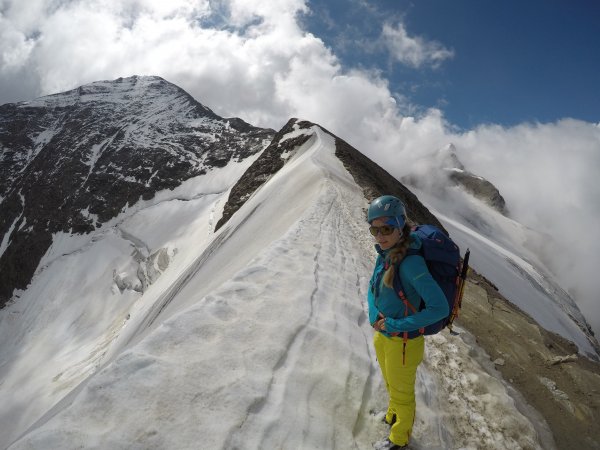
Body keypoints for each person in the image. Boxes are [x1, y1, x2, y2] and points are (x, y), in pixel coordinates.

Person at [367, 195, 449, 450]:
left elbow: (439, 308)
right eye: (374, 229)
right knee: (391, 382)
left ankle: (398, 440)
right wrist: (374, 315)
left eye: (387, 228)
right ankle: (393, 417)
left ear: (400, 225)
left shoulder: (412, 263)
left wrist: (394, 326)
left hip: (402, 342)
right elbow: (373, 288)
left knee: (403, 393)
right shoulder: (386, 253)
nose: (380, 235)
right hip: (384, 335)